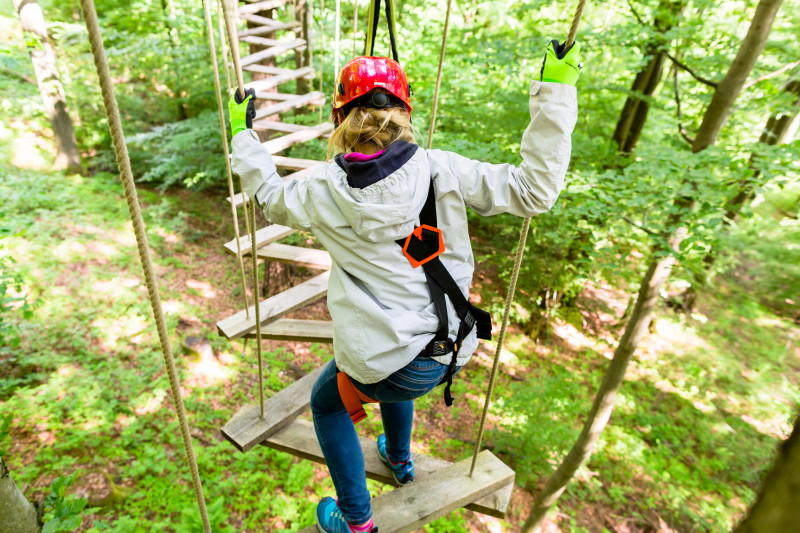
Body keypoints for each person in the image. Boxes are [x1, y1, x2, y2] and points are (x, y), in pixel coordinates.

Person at [228, 39, 581, 533]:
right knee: (397, 364)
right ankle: (399, 458)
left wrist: (243, 134)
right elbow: (533, 190)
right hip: (452, 349)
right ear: (404, 113)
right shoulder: (443, 169)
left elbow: (267, 194)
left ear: (339, 119)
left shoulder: (318, 190)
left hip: (392, 368)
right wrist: (558, 92)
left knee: (328, 404)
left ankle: (356, 522)